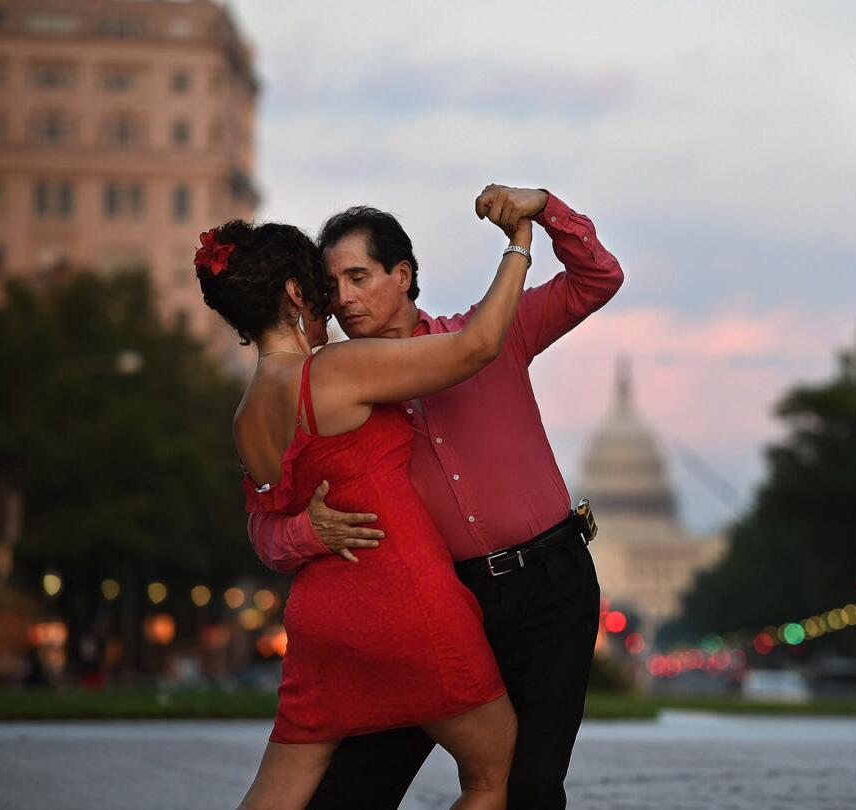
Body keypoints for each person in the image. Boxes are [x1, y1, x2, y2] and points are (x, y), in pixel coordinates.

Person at [248, 186, 623, 810]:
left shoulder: (492, 329)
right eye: (331, 285)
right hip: (434, 607)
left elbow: (599, 277)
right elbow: (264, 518)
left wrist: (543, 209)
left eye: (359, 276)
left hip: (550, 586)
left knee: (530, 789)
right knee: (355, 789)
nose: (343, 299)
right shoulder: (332, 386)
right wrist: (307, 533)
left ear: (404, 274)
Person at [196, 186, 536, 809]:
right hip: (405, 604)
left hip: (318, 622)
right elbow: (477, 345)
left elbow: (267, 529)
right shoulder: (335, 369)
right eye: (320, 290)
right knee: (493, 772)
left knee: (275, 791)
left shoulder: (245, 415)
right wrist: (519, 245)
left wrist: (308, 532)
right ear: (296, 295)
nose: (333, 304)